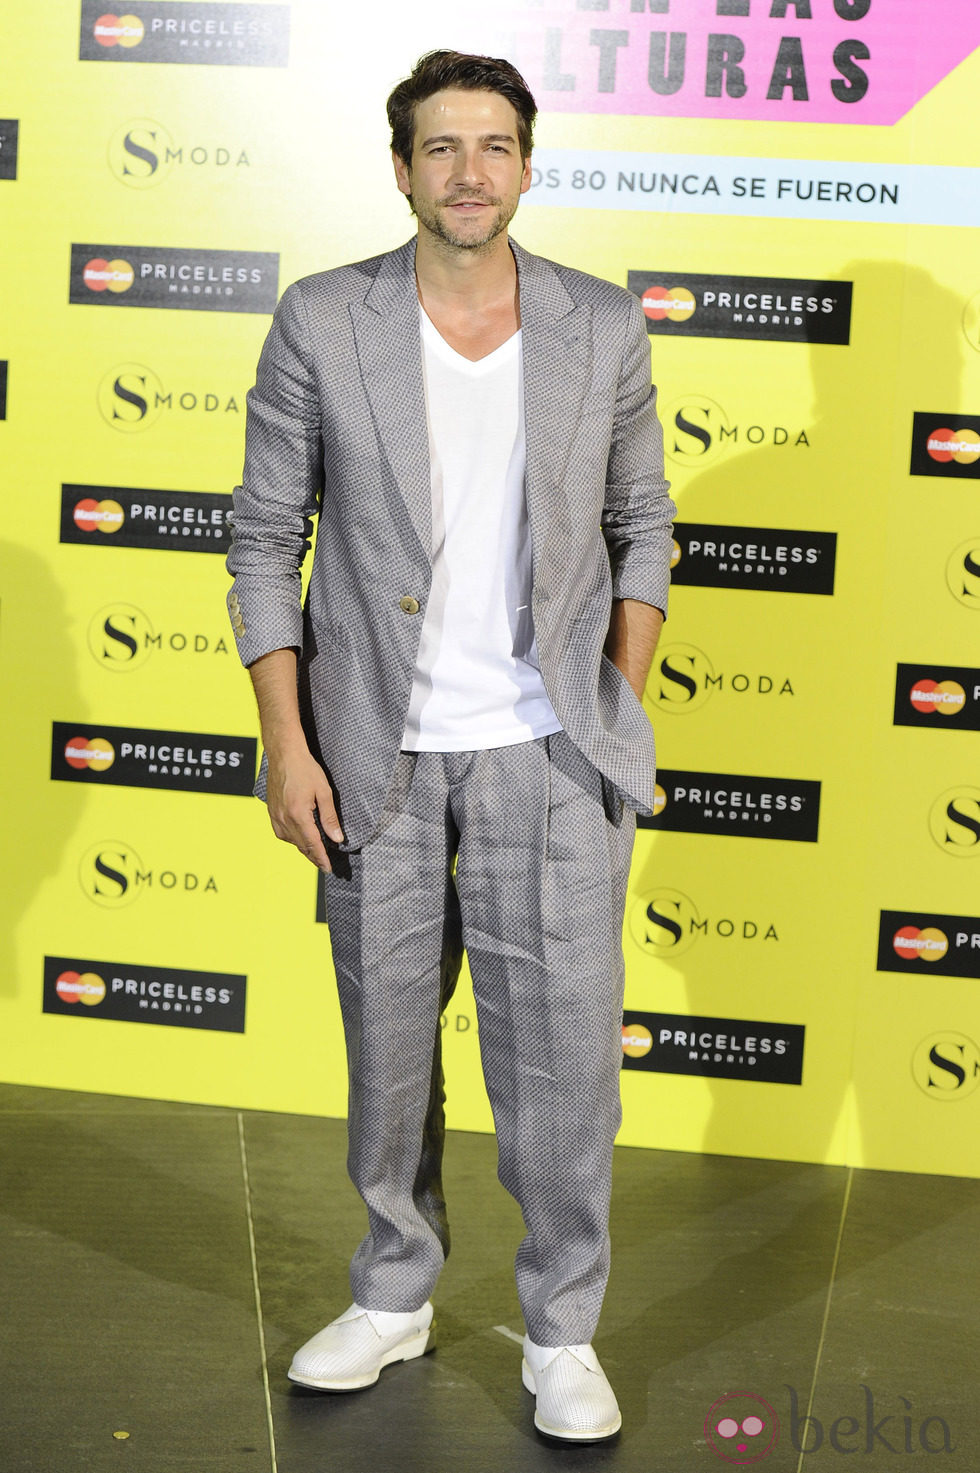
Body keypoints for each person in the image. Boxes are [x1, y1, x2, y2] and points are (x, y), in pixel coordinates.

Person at [225, 48, 674, 1443]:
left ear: (528, 165)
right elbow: (263, 539)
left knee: (565, 1069)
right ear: (401, 167)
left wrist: (608, 709)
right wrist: (287, 745)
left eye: (493, 146)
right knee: (386, 1053)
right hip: (378, 756)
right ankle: (394, 1293)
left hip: (552, 758)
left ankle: (563, 1330)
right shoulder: (322, 318)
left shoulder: (603, 325)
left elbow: (643, 525)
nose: (469, 172)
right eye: (441, 147)